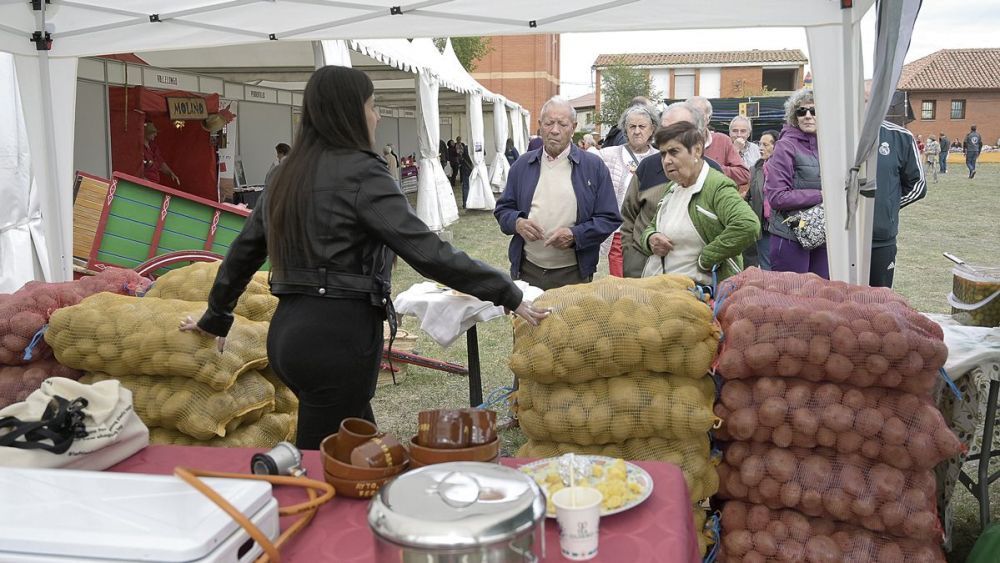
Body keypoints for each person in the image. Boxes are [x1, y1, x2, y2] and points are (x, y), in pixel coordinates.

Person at [179, 66, 548, 450]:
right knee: (323, 463)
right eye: (372, 106)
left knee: (360, 446)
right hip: (336, 340)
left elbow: (244, 251)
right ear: (351, 112)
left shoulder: (284, 174)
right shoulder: (363, 176)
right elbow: (428, 251)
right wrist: (507, 292)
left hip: (290, 335)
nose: (377, 116)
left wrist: (217, 316)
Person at [494, 96, 622, 290]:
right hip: (528, 269)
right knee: (528, 321)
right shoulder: (522, 165)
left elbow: (609, 218)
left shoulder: (593, 167)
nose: (554, 130)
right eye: (549, 123)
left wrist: (575, 235)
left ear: (573, 127)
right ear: (539, 125)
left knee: (570, 321)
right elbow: (503, 210)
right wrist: (517, 222)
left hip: (573, 273)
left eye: (562, 124)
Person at [638, 121, 759, 284]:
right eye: (663, 154)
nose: (666, 160)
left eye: (674, 152)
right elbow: (653, 225)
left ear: (697, 151)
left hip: (696, 297)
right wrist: (650, 238)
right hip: (660, 290)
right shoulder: (673, 187)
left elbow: (748, 225)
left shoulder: (716, 186)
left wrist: (706, 259)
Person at [619, 102, 724, 278]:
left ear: (697, 136)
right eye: (665, 129)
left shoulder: (713, 174)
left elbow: (736, 229)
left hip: (694, 280)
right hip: (644, 275)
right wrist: (632, 259)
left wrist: (706, 260)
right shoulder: (648, 167)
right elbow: (628, 218)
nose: (668, 136)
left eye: (678, 130)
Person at [765, 87, 828, 278]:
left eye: (814, 111)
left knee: (821, 296)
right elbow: (777, 197)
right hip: (790, 235)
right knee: (792, 297)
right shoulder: (785, 146)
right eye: (802, 111)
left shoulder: (831, 145)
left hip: (822, 233)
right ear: (794, 116)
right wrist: (821, 196)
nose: (807, 116)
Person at [598, 103, 659, 277]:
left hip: (648, 234)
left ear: (652, 129)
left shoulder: (659, 159)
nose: (637, 131)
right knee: (621, 287)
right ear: (625, 129)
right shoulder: (607, 156)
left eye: (642, 126)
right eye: (632, 126)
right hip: (619, 234)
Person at [869, 120, 926, 288]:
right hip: (840, 241)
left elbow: (918, 185)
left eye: (868, 100)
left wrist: (888, 206)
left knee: (880, 302)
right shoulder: (837, 133)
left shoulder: (900, 136)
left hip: (880, 240)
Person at [687, 96, 751, 187]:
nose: (695, 120)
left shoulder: (722, 141)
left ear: (709, 118)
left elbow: (744, 175)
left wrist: (713, 169)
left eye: (699, 115)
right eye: (691, 115)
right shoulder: (676, 143)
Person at [745, 129, 779, 271]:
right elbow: (749, 196)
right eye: (760, 144)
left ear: (776, 147)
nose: (761, 148)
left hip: (782, 225)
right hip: (763, 226)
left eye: (765, 145)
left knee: (782, 266)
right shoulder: (755, 169)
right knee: (766, 267)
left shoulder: (786, 168)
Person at [140, 122, 181, 186]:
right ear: (146, 133)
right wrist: (145, 182)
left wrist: (171, 173)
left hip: (155, 184)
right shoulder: (139, 148)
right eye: (153, 132)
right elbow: (136, 168)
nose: (155, 134)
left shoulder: (153, 147)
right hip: (144, 185)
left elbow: (160, 163)